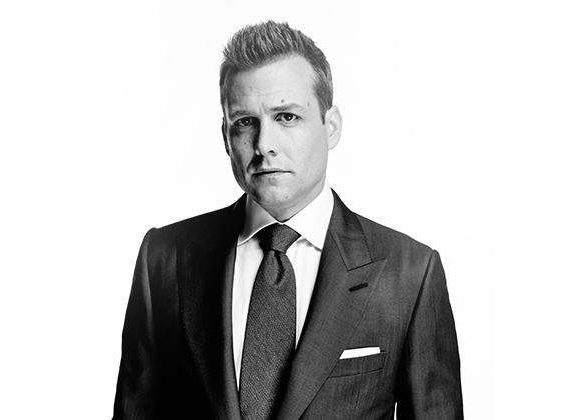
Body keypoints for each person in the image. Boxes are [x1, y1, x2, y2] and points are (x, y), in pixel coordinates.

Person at [112, 20, 463, 420]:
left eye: (287, 117)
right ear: (225, 136)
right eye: (245, 122)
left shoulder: (409, 273)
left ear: (331, 127)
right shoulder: (164, 259)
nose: (264, 145)